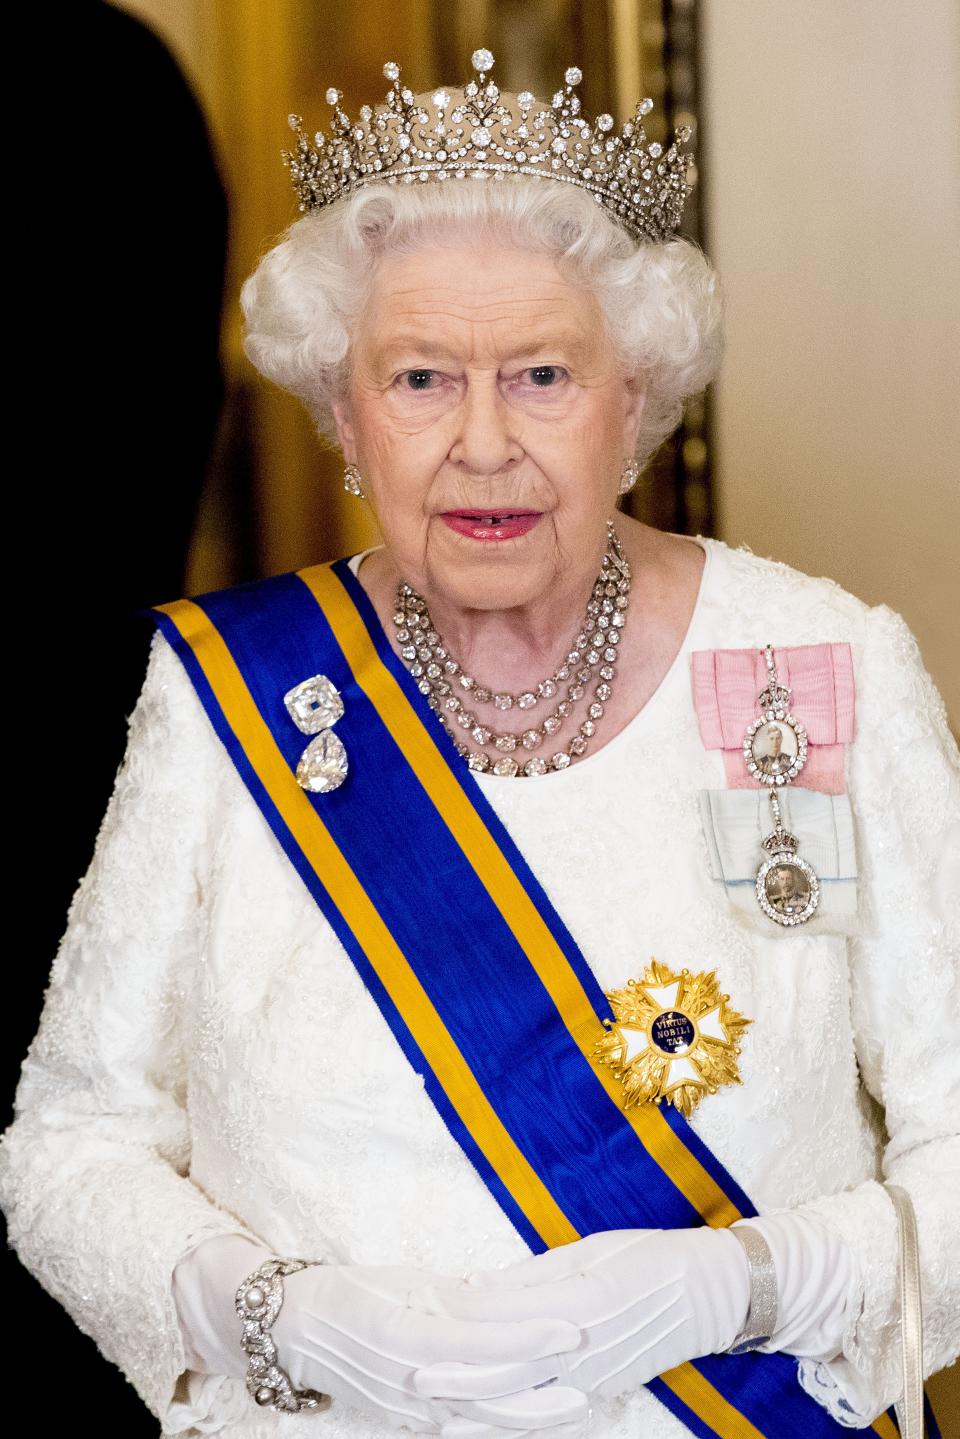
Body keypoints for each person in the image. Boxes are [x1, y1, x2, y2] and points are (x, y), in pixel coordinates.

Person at [1, 46, 957, 1439]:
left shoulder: (818, 667)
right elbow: (69, 1145)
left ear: (637, 400)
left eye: (546, 374)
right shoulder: (225, 698)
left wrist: (752, 1282)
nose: (485, 443)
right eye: (421, 379)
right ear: (343, 414)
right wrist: (270, 1311)